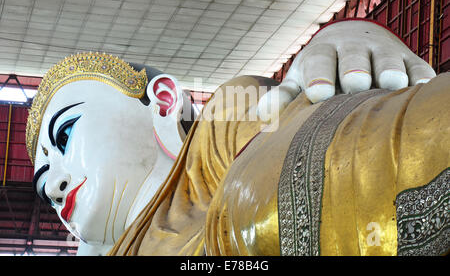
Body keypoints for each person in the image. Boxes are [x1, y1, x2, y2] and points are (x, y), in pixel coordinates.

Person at [26, 19, 448, 256]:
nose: (55, 185)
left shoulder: (220, 131)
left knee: (254, 208)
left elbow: (311, 144)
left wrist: (349, 37)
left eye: (64, 136)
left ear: (164, 101)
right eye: (44, 187)